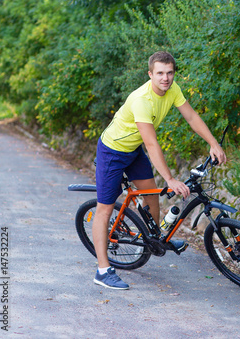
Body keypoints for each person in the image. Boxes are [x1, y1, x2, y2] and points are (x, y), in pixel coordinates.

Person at [92, 51, 227, 290]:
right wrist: (171, 179)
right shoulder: (142, 99)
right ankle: (103, 270)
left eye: (170, 73)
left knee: (151, 194)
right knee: (104, 208)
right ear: (150, 74)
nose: (165, 78)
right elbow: (152, 143)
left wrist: (213, 143)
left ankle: (153, 239)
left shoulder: (172, 89)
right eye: (160, 73)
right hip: (112, 151)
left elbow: (192, 116)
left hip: (132, 150)